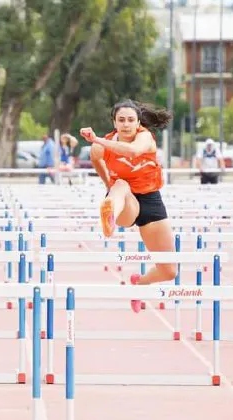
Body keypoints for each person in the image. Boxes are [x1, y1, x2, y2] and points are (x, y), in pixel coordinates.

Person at [80, 99, 176, 313]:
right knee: (121, 185)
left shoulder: (145, 138)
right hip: (124, 202)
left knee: (169, 271)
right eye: (121, 120)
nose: (126, 124)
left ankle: (139, 283)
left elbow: (132, 151)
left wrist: (96, 139)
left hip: (150, 200)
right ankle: (110, 212)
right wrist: (108, 183)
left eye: (131, 120)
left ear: (138, 122)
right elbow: (96, 159)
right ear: (114, 123)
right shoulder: (100, 146)